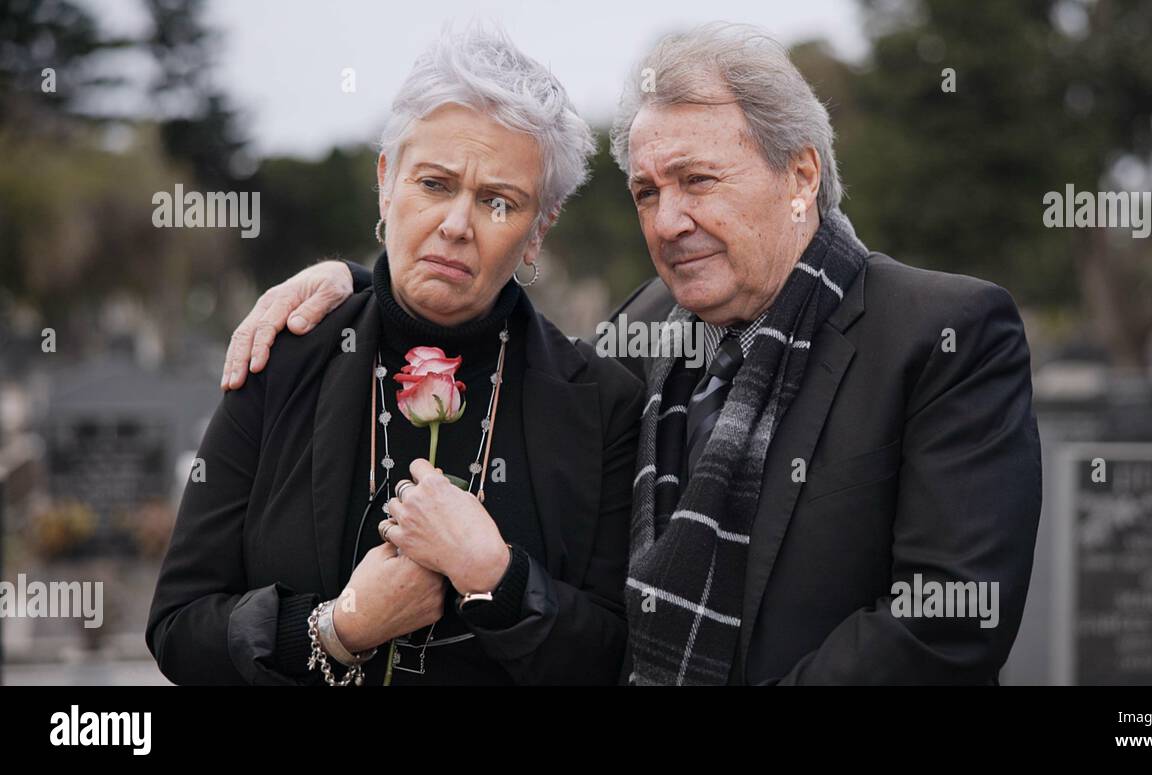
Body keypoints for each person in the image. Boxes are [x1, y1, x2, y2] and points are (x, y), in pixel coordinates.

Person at [223, 23, 1042, 685]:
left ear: (800, 176)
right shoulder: (650, 324)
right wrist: (358, 287)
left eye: (697, 180)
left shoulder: (945, 332)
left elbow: (946, 624)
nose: (668, 220)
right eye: (648, 192)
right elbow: (500, 339)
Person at [147, 26, 642, 686]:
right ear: (387, 183)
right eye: (434, 184)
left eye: (499, 200)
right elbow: (178, 627)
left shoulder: (603, 403)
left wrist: (500, 577)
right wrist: (340, 626)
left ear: (538, 229)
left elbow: (617, 655)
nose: (458, 224)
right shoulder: (287, 357)